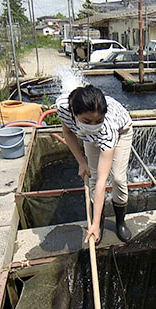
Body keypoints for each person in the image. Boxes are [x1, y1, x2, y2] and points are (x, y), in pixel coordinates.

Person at [56, 85, 133, 243]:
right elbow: (68, 133)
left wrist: (94, 224)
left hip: (121, 131)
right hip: (88, 137)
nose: (93, 124)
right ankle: (99, 224)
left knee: (118, 178)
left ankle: (120, 222)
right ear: (74, 112)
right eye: (87, 120)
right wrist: (81, 162)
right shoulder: (63, 106)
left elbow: (102, 182)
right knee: (92, 175)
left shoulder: (107, 130)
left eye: (98, 120)